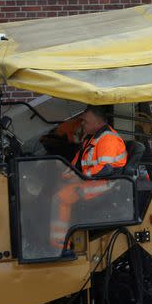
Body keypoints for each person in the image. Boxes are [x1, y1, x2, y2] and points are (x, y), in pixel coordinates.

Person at [50, 105, 126, 250]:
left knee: (61, 198)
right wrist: (66, 175)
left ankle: (60, 246)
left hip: (106, 184)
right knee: (55, 188)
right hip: (93, 181)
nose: (82, 124)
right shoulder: (91, 139)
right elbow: (76, 164)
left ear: (97, 122)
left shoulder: (108, 139)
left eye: (85, 121)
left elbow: (106, 168)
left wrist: (80, 176)